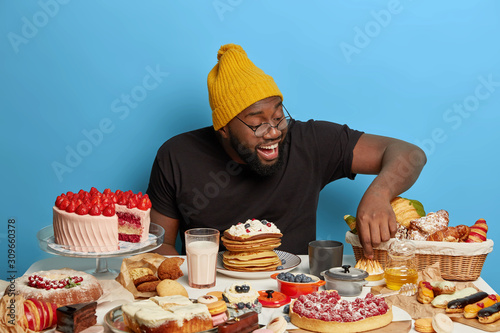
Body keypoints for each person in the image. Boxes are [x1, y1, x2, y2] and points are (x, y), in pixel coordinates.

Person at [146, 43, 426, 259]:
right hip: (215, 295)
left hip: (298, 294)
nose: (273, 132)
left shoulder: (311, 142)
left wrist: (378, 194)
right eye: (257, 123)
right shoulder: (177, 156)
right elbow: (160, 246)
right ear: (223, 128)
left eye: (279, 116)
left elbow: (410, 155)